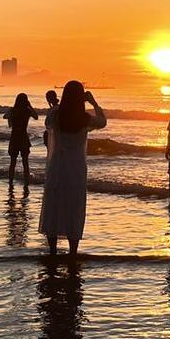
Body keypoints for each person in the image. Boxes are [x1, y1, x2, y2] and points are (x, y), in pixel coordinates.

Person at [39, 81, 106, 256]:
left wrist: (60, 103)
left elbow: (47, 123)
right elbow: (103, 122)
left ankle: (53, 250)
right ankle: (73, 251)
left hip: (57, 166)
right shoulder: (84, 118)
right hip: (76, 168)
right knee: (74, 206)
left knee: (55, 205)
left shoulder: (55, 115)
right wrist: (93, 103)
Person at [4, 93, 39, 193]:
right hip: (23, 137)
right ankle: (26, 183)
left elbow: (4, 117)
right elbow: (36, 116)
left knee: (12, 162)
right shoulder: (27, 111)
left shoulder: (12, 110)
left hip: (14, 137)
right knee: (25, 162)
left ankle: (10, 182)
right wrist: (30, 106)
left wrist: (12, 113)